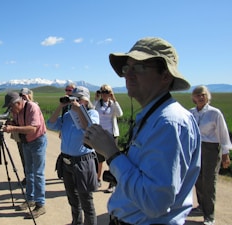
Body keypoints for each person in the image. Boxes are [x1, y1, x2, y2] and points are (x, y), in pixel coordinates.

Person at [84, 37, 201, 225]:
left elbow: (155, 202)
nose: (128, 75)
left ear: (165, 76)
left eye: (139, 67)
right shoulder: (152, 116)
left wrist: (112, 154)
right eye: (126, 68)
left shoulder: (168, 124)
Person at [47, 86, 99, 225]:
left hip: (83, 161)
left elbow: (89, 128)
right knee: (73, 199)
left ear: (86, 101)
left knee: (86, 201)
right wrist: (60, 106)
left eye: (79, 99)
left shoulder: (93, 113)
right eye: (73, 98)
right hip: (66, 161)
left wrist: (79, 110)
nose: (75, 101)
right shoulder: (67, 115)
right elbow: (50, 124)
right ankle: (76, 222)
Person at [189, 85, 232, 225]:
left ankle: (209, 216)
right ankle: (201, 207)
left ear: (208, 97)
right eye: (198, 95)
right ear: (193, 98)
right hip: (196, 148)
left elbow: (223, 134)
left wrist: (226, 153)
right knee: (198, 179)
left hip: (211, 149)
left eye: (203, 95)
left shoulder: (215, 113)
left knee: (209, 181)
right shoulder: (191, 113)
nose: (201, 97)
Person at [2, 92, 48, 219]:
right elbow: (19, 124)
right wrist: (11, 123)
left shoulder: (32, 107)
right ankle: (30, 199)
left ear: (18, 103)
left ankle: (40, 205)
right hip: (26, 141)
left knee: (38, 173)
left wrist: (13, 129)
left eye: (11, 106)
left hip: (38, 140)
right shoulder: (16, 111)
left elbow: (33, 128)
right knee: (29, 172)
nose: (11, 109)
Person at [94, 84, 123, 193]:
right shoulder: (98, 104)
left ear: (110, 93)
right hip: (101, 135)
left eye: (107, 92)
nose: (105, 94)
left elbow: (120, 114)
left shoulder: (112, 104)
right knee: (99, 159)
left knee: (112, 160)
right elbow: (92, 111)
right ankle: (97, 179)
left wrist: (114, 100)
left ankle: (112, 183)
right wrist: (96, 99)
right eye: (103, 92)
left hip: (112, 135)